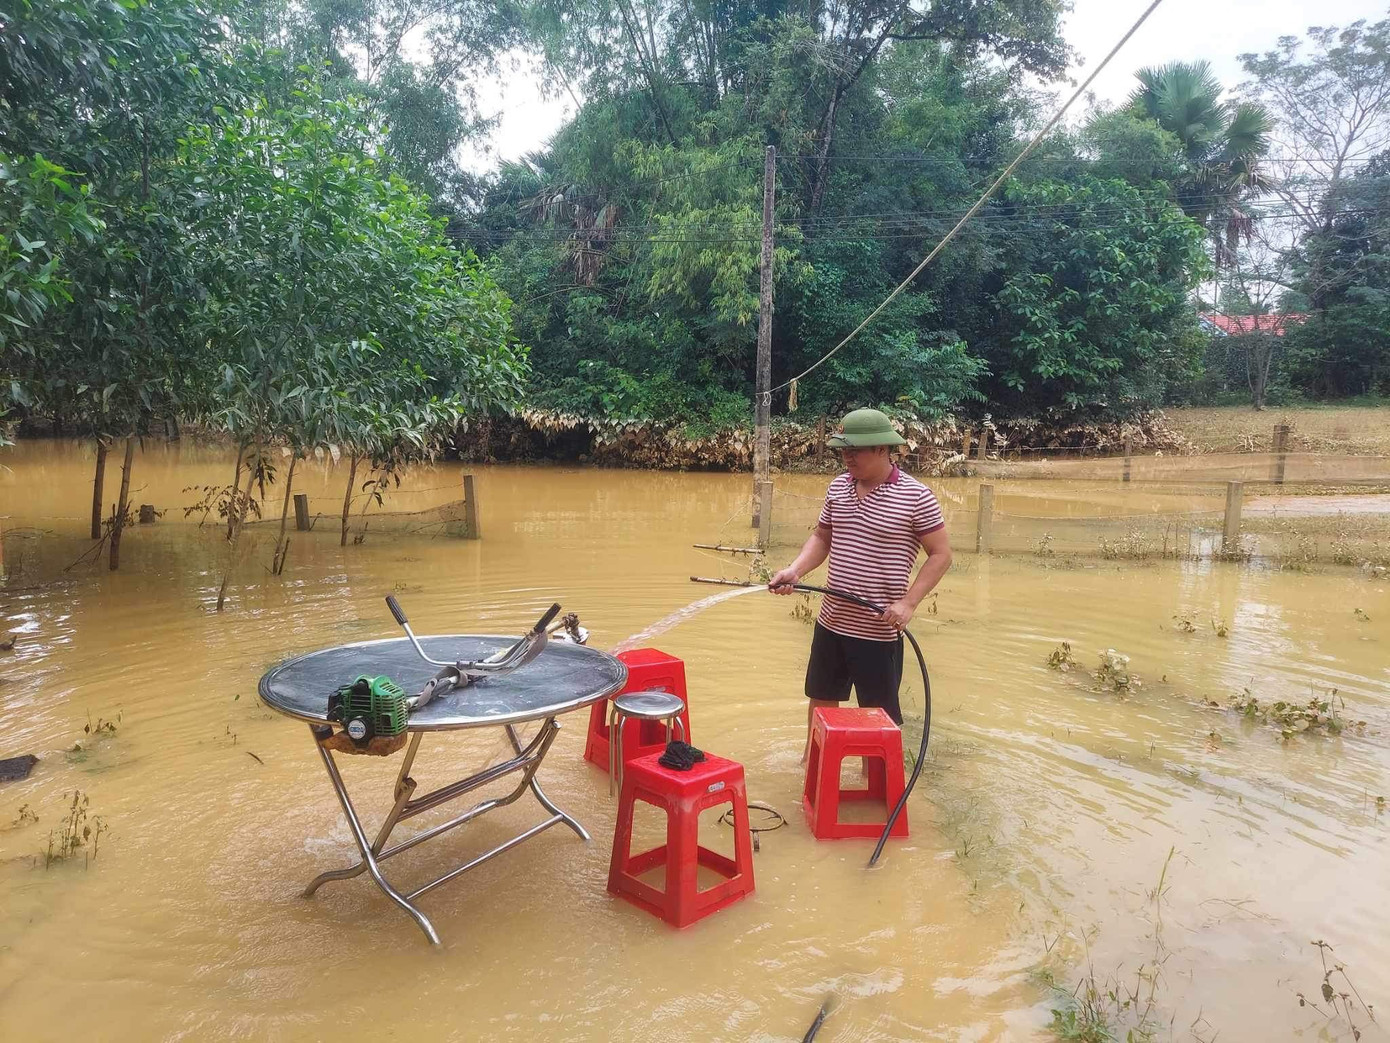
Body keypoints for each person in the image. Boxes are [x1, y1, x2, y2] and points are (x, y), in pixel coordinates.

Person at [767, 408, 952, 757]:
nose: (846, 457)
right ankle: (814, 770)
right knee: (821, 702)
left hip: (878, 629)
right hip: (831, 622)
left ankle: (878, 789)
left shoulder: (916, 497)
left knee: (878, 718)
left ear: (883, 449)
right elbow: (822, 538)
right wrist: (795, 571)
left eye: (856, 450)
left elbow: (941, 554)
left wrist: (908, 603)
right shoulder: (838, 486)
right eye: (843, 450)